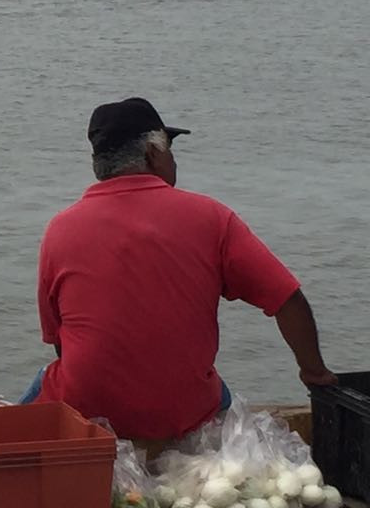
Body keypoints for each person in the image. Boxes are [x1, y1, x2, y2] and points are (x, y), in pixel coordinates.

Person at [20, 97, 337, 440]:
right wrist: (313, 372)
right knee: (215, 392)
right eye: (170, 149)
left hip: (90, 410)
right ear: (153, 154)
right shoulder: (211, 217)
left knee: (30, 400)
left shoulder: (60, 229)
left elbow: (60, 342)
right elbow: (286, 298)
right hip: (187, 411)